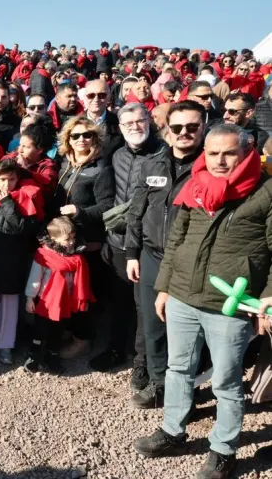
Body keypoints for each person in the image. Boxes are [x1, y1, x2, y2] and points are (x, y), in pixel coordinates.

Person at [133, 124, 272, 479]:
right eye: (213, 154)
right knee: (179, 368)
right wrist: (164, 287)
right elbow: (176, 239)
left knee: (226, 381)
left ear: (246, 153)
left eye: (229, 153)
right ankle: (173, 431)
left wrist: (268, 302)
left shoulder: (266, 192)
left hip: (230, 305)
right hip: (182, 295)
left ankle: (224, 449)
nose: (221, 161)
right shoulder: (195, 186)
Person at [124, 100, 206, 409]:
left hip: (190, 261)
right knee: (153, 326)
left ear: (203, 127)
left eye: (192, 127)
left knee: (188, 329)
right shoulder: (152, 165)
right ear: (167, 130)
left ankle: (188, 386)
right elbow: (136, 212)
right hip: (151, 256)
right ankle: (159, 384)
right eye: (177, 127)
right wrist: (132, 253)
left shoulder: (210, 168)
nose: (184, 132)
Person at [89, 104, 163, 377]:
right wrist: (110, 237)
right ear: (120, 128)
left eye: (140, 120)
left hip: (150, 245)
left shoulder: (163, 154)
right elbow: (115, 200)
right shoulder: (117, 155)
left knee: (145, 307)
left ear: (149, 121)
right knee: (119, 300)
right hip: (119, 240)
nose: (135, 126)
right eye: (128, 122)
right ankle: (117, 349)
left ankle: (143, 362)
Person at [53, 116, 115, 360]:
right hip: (65, 240)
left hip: (87, 242)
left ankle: (84, 339)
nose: (81, 140)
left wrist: (80, 212)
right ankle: (72, 331)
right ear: (68, 139)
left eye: (87, 135)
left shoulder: (101, 169)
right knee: (68, 291)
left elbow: (107, 205)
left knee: (83, 294)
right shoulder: (65, 164)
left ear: (95, 138)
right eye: (76, 135)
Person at [0, 159, 44, 364]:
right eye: (3, 180)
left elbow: (21, 228)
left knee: (9, 303)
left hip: (13, 258)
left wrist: (8, 203)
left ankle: (6, 344)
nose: (7, 185)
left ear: (18, 179)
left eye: (12, 179)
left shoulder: (26, 196)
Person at [23, 216, 93, 374]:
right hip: (45, 302)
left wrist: (82, 298)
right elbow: (35, 278)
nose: (71, 242)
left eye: (73, 238)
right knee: (40, 329)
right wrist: (30, 297)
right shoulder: (44, 256)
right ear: (54, 238)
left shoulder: (76, 257)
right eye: (67, 239)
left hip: (64, 301)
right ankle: (34, 354)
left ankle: (52, 354)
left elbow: (79, 281)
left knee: (57, 329)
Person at [6, 121, 59, 196]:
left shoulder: (48, 167)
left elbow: (42, 194)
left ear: (39, 150)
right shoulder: (12, 156)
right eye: (20, 145)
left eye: (25, 147)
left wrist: (25, 171)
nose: (20, 150)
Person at [84, 80, 122, 163]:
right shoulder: (73, 124)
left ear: (109, 97)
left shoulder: (119, 123)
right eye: (91, 95)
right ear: (85, 97)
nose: (96, 99)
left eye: (102, 95)